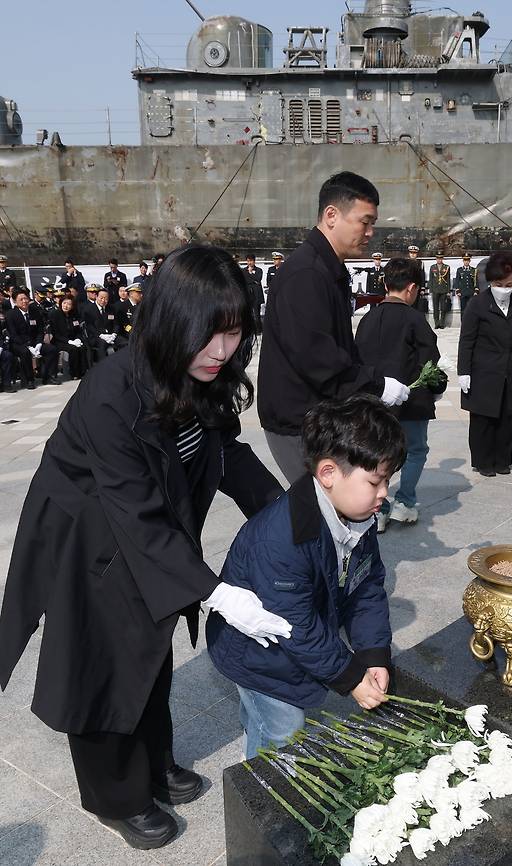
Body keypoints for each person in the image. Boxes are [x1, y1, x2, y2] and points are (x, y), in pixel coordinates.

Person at [0, 245, 291, 850]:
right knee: (105, 661)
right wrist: (214, 592)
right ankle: (117, 795)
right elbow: (136, 514)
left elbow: (227, 453)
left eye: (233, 334)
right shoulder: (112, 392)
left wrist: (288, 513)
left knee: (153, 647)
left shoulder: (204, 376)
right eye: (207, 335)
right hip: (91, 532)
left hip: (152, 518)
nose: (221, 352)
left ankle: (155, 762)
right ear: (169, 323)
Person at [207, 394, 405, 758]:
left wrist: (372, 653)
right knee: (284, 730)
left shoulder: (359, 517)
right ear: (328, 473)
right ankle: (264, 796)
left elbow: (366, 589)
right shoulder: (281, 539)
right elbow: (297, 624)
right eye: (375, 482)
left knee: (267, 717)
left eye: (388, 481)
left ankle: (256, 723)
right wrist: (350, 677)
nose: (384, 494)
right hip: (256, 649)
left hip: (291, 640)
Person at [257, 171, 410, 484]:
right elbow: (319, 360)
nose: (370, 233)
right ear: (331, 215)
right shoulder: (307, 275)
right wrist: (377, 386)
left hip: (319, 416)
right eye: (364, 222)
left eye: (373, 224)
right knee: (323, 514)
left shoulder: (328, 269)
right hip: (299, 421)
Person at [356, 258, 441, 529]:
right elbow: (429, 361)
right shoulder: (415, 320)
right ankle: (404, 503)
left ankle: (378, 509)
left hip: (374, 400)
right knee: (415, 450)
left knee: (378, 454)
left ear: (385, 283)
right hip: (411, 402)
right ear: (412, 288)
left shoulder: (369, 318)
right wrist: (436, 389)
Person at [457, 251, 512, 476]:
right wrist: (464, 372)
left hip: (510, 371)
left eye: (509, 284)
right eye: (499, 284)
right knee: (483, 419)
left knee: (506, 417)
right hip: (483, 371)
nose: (504, 288)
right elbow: (467, 340)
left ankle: (502, 460)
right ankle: (483, 461)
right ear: (491, 281)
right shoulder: (478, 304)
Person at [5, 288, 60, 388]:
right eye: (21, 299)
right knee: (25, 352)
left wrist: (39, 344)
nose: (24, 301)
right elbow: (13, 335)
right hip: (18, 344)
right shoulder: (10, 315)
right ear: (14, 301)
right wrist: (28, 346)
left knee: (52, 349)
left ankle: (48, 376)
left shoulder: (35, 311)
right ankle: (29, 379)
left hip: (35, 342)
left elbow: (40, 330)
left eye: (25, 298)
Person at [49, 294, 87, 379]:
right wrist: (69, 341)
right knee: (73, 349)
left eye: (69, 304)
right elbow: (56, 334)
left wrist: (78, 339)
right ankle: (74, 373)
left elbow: (78, 330)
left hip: (73, 339)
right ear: (61, 303)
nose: (66, 306)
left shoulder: (74, 315)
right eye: (64, 303)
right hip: (59, 341)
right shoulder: (55, 314)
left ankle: (83, 371)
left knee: (83, 347)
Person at [83, 286, 117, 362]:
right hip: (96, 336)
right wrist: (101, 335)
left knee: (124, 343)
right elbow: (90, 327)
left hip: (111, 335)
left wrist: (114, 334)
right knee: (103, 344)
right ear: (96, 297)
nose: (103, 300)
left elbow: (116, 324)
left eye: (106, 298)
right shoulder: (88, 310)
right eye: (101, 298)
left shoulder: (111, 308)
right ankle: (103, 368)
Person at [114, 283, 143, 349]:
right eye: (138, 293)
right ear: (131, 294)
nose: (141, 295)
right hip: (126, 335)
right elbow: (124, 324)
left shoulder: (141, 306)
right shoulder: (122, 307)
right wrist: (135, 332)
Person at [428, 253, 451, 329]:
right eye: (438, 258)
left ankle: (442, 323)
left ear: (442, 259)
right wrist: (431, 290)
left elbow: (448, 279)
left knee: (443, 308)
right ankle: (436, 323)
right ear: (436, 259)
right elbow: (431, 279)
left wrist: (448, 291)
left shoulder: (446, 267)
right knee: (435, 308)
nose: (439, 260)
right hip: (435, 290)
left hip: (444, 290)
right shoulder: (432, 267)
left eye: (440, 258)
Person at [242, 253, 264, 332]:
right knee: (248, 313)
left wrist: (250, 273)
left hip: (256, 295)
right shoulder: (243, 270)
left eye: (251, 261)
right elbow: (245, 280)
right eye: (248, 261)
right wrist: (253, 280)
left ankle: (259, 329)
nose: (249, 263)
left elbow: (258, 279)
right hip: (248, 294)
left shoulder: (259, 270)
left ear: (254, 261)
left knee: (257, 313)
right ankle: (250, 330)